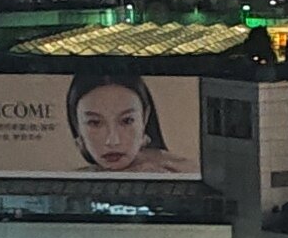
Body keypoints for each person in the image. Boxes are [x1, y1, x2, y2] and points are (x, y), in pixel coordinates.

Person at [64, 74, 192, 174]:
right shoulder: (68, 180)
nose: (112, 141)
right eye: (94, 122)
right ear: (78, 126)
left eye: (127, 121)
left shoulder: (188, 173)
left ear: (145, 118)